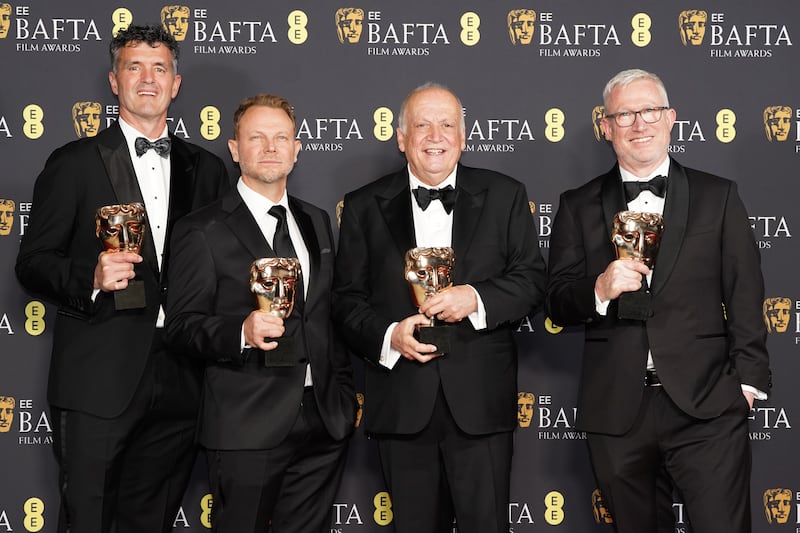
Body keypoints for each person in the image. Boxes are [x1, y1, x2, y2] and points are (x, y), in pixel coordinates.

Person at [15, 24, 230, 533]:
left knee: (151, 521)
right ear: (115, 80)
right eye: (135, 67)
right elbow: (32, 261)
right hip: (98, 379)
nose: (148, 79)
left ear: (176, 84)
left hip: (182, 380)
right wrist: (88, 275)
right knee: (87, 519)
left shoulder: (208, 170)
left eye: (160, 69)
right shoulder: (72, 164)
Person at [545, 68, 770, 533]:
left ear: (671, 119)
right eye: (624, 114)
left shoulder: (718, 196)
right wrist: (599, 290)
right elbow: (557, 303)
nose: (638, 124)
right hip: (617, 411)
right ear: (606, 127)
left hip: (706, 404)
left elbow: (745, 291)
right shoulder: (576, 204)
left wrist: (747, 384)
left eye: (649, 111)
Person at [332, 82, 546, 533]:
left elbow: (532, 281)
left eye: (447, 124)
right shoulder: (363, 205)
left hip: (481, 405)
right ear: (401, 137)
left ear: (463, 136)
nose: (435, 135)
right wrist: (389, 335)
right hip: (402, 405)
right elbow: (346, 299)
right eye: (422, 124)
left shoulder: (506, 195)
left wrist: (477, 297)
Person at [165, 93, 356, 533]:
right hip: (246, 424)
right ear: (235, 150)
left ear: (296, 149)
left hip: (323, 420)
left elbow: (326, 314)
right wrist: (241, 331)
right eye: (257, 137)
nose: (270, 147)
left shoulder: (316, 220)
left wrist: (342, 400)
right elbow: (180, 326)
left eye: (281, 137)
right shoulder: (201, 229)